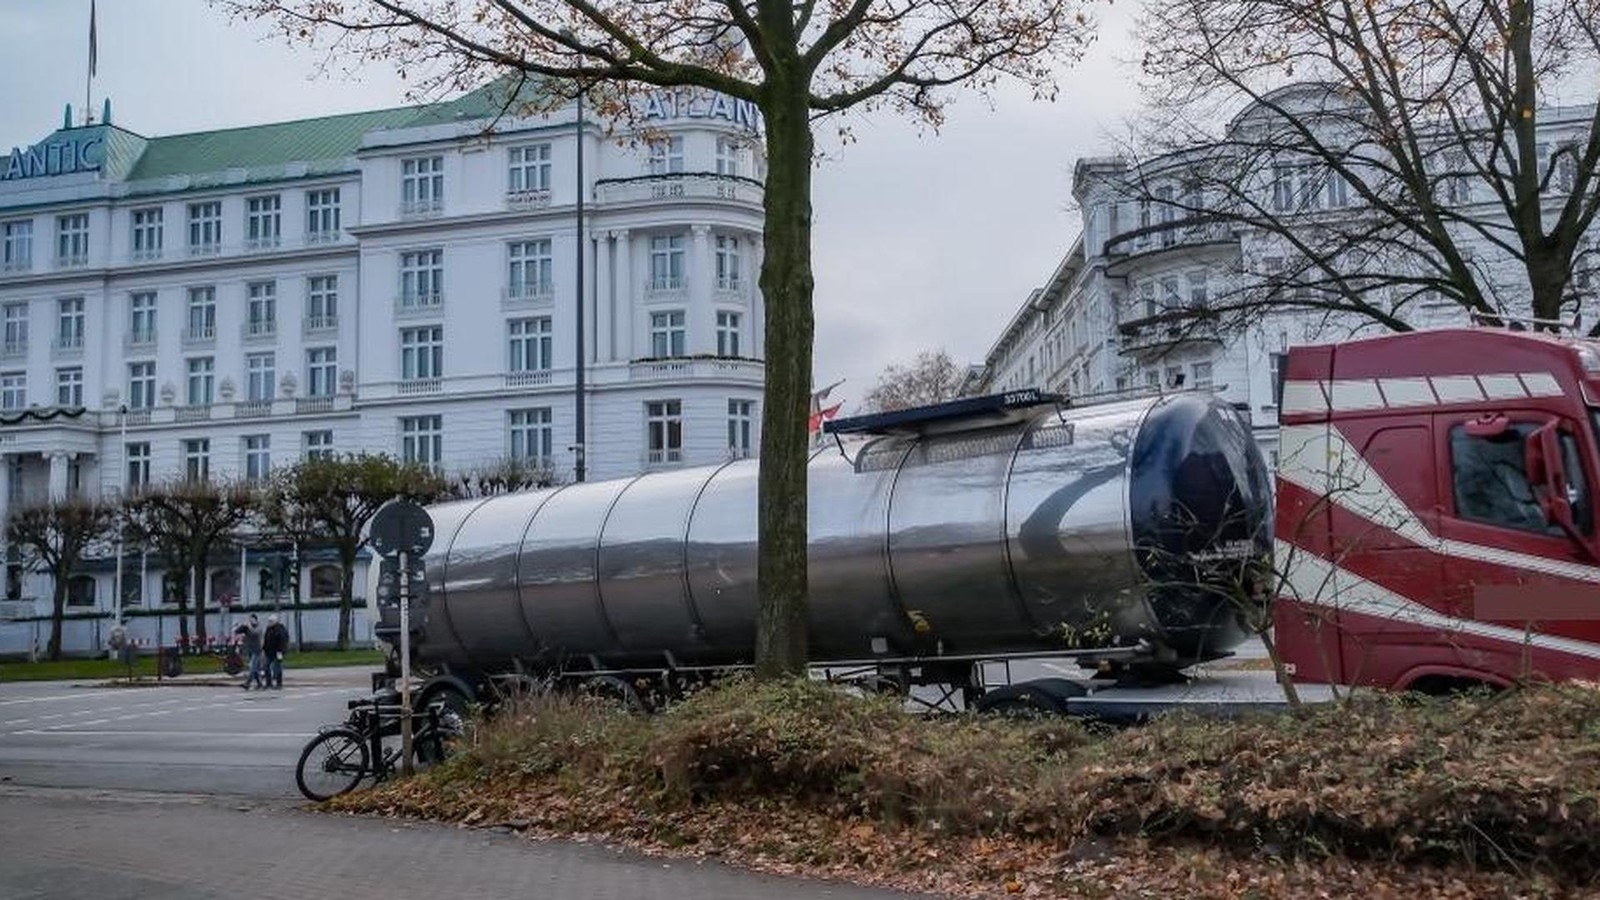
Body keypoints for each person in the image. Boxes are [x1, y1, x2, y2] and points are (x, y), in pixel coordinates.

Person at [235, 613, 264, 690]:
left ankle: (247, 683)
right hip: (250, 650)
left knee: (252, 667)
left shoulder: (259, 627)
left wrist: (249, 626)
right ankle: (259, 683)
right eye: (250, 619)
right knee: (255, 668)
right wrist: (243, 625)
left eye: (252, 619)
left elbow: (255, 633)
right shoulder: (248, 627)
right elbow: (237, 631)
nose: (251, 621)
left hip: (257, 650)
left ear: (256, 620)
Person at [262, 614, 290, 690]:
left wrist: (281, 651)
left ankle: (279, 683)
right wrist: (264, 648)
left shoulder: (280, 629)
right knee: (266, 667)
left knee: (277, 667)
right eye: (269, 621)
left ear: (275, 621)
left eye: (271, 621)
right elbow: (266, 639)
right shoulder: (268, 629)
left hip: (278, 651)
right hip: (269, 652)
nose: (269, 622)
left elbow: (283, 640)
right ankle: (269, 683)